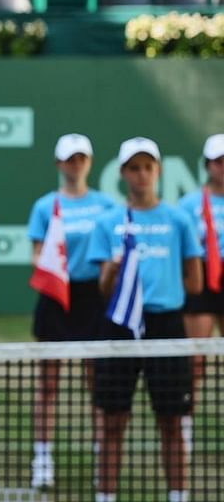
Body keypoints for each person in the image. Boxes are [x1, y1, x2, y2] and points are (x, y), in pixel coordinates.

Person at [86, 137, 202, 502]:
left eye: (147, 167)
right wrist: (116, 272)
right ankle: (106, 497)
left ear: (158, 171)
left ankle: (178, 496)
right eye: (134, 168)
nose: (141, 174)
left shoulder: (179, 219)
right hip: (120, 325)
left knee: (171, 421)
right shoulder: (108, 222)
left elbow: (195, 281)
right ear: (123, 173)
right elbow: (104, 289)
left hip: (167, 327)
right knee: (112, 422)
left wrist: (160, 287)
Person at [25, 133, 117, 489]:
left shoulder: (107, 206)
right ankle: (43, 458)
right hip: (57, 295)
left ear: (89, 162)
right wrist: (50, 268)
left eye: (81, 158)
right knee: (48, 383)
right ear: (59, 164)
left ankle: (99, 454)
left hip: (94, 298)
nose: (75, 164)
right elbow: (36, 254)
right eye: (69, 159)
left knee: (97, 382)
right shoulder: (45, 206)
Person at [177, 133, 224, 458]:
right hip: (202, 280)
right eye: (220, 162)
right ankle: (184, 427)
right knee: (194, 361)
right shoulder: (188, 205)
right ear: (208, 165)